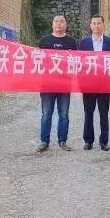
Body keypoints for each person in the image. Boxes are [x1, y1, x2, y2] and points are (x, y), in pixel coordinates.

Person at [37, 15, 77, 153]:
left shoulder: (71, 42)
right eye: (56, 21)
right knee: (46, 113)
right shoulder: (44, 40)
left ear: (66, 24)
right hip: (47, 84)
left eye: (61, 21)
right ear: (52, 24)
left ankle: (62, 141)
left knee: (64, 114)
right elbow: (37, 59)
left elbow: (77, 62)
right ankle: (44, 141)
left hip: (65, 84)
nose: (58, 24)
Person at [79, 15, 110, 151]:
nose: (96, 26)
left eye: (99, 23)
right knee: (88, 112)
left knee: (103, 113)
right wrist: (81, 83)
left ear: (103, 25)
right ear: (90, 26)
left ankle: (104, 141)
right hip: (88, 84)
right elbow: (80, 64)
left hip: (104, 84)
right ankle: (88, 140)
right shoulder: (84, 43)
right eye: (94, 23)